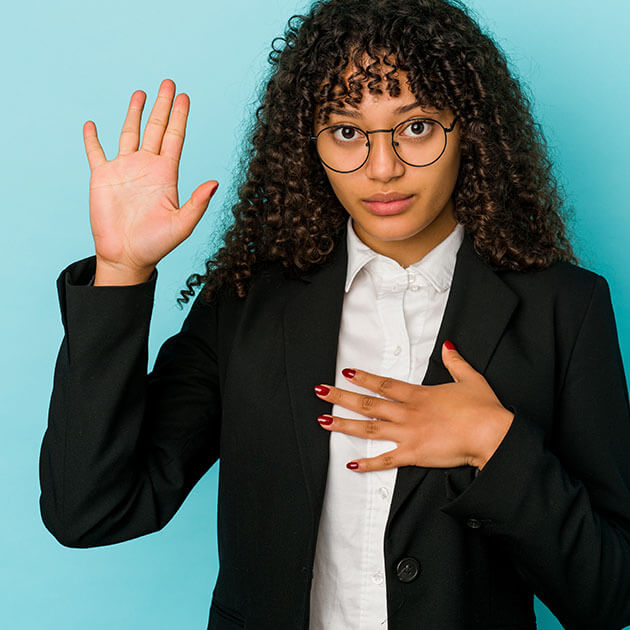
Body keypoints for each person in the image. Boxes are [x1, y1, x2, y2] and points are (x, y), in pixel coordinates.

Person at [39, 0, 630, 628]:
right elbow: (90, 510)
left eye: (418, 126)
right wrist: (121, 272)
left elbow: (610, 594)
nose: (383, 168)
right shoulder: (245, 303)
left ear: (471, 129)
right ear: (310, 144)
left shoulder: (566, 306)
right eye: (348, 131)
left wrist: (496, 444)